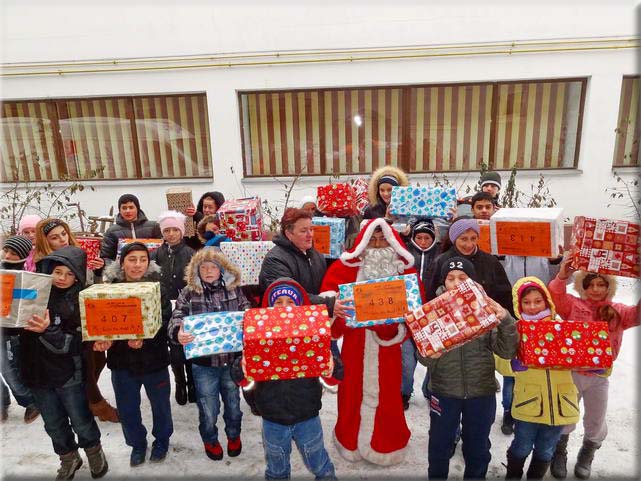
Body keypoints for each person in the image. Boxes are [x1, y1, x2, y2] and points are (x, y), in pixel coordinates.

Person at [320, 217, 420, 465]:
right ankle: (350, 438)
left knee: (388, 394)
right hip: (355, 345)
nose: (376, 245)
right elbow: (327, 309)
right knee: (351, 390)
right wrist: (337, 310)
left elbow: (417, 312)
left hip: (389, 349)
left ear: (392, 241)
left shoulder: (405, 271)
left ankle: (387, 443)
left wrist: (394, 327)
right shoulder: (344, 269)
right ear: (362, 243)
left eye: (382, 239)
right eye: (372, 240)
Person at [417, 256, 518, 479]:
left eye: (462, 277)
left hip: (481, 392)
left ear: (472, 281)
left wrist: (506, 321)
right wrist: (431, 350)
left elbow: (506, 351)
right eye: (450, 278)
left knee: (478, 447)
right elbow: (423, 359)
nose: (456, 282)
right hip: (444, 392)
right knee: (439, 446)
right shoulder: (432, 313)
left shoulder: (484, 309)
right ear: (443, 282)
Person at [231, 278, 340, 480]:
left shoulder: (313, 337)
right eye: (278, 302)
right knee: (277, 470)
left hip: (307, 416)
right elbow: (243, 380)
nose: (284, 308)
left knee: (320, 464)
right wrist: (243, 368)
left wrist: (329, 367)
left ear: (300, 306)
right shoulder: (258, 339)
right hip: (273, 419)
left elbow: (335, 376)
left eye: (290, 302)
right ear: (270, 307)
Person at [20, 246, 108, 480]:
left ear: (78, 275)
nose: (62, 278)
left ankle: (94, 450)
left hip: (69, 373)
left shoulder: (83, 301)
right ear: (48, 270)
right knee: (53, 423)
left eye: (69, 274)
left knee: (80, 418)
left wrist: (47, 331)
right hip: (37, 374)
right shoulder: (32, 294)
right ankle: (68, 457)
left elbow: (74, 342)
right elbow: (13, 325)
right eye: (57, 272)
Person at [547, 260, 640, 480]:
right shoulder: (573, 305)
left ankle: (587, 454)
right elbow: (555, 296)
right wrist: (561, 276)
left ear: (609, 287)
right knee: (566, 416)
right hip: (572, 375)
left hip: (599, 378)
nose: (596, 289)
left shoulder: (618, 311)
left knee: (596, 419)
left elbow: (637, 314)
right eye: (590, 285)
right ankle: (559, 453)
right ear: (582, 287)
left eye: (601, 284)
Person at [95, 242, 173, 466]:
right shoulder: (111, 289)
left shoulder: (157, 287)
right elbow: (103, 322)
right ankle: (137, 444)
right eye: (132, 259)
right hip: (122, 362)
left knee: (160, 405)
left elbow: (165, 320)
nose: (137, 265)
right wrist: (104, 339)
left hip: (154, 360)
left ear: (148, 263)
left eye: (142, 259)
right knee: (128, 408)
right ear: (122, 262)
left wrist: (146, 338)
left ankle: (162, 439)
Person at [34, 218, 118, 423]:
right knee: (85, 363)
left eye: (63, 234)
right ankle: (96, 403)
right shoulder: (45, 263)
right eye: (54, 237)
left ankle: (86, 397)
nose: (62, 239)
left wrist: (98, 271)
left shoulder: (79, 252)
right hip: (65, 323)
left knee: (99, 359)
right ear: (45, 241)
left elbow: (90, 284)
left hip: (86, 312)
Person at [169, 248, 249, 461]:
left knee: (233, 404)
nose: (208, 271)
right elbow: (177, 316)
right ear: (196, 270)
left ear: (223, 269)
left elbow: (247, 312)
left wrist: (247, 321)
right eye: (203, 267)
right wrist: (179, 332)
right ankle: (210, 438)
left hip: (232, 362)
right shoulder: (188, 293)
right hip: (203, 365)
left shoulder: (235, 290)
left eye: (213, 266)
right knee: (208, 407)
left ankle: (234, 434)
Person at [499, 277, 580, 480]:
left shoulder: (561, 327)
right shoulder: (516, 330)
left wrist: (595, 368)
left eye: (538, 301)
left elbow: (587, 352)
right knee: (521, 447)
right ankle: (513, 475)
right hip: (529, 405)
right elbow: (499, 359)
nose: (533, 307)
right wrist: (512, 364)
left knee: (546, 450)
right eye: (526, 302)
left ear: (547, 301)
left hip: (560, 405)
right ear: (518, 304)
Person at [258, 208, 351, 319]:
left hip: (314, 320)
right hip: (283, 322)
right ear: (289, 234)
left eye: (311, 229)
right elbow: (289, 295)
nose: (310, 234)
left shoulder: (317, 255)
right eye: (303, 231)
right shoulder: (275, 260)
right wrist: (328, 304)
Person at [154, 210, 196, 406]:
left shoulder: (190, 253)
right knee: (174, 350)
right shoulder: (156, 253)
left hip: (187, 306)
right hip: (164, 306)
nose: (170, 234)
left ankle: (193, 382)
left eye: (174, 230)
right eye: (167, 230)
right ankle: (180, 381)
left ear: (181, 231)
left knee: (187, 343)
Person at [426, 217, 513, 312]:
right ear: (454, 239)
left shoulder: (491, 262)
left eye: (473, 238)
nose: (469, 244)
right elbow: (430, 296)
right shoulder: (441, 262)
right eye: (464, 239)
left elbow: (505, 297)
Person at [0, 236, 40, 424]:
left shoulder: (27, 277)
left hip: (10, 334)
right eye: (6, 250)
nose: (7, 255)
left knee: (10, 371)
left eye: (13, 253)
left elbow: (31, 304)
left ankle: (30, 401)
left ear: (23, 257)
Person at [400, 220, 441, 407]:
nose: (423, 241)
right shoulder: (405, 254)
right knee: (407, 361)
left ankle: (429, 388)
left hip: (432, 317)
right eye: (419, 237)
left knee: (433, 359)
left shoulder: (440, 255)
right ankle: (404, 392)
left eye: (427, 238)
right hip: (408, 317)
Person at [99, 194, 162, 264]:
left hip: (151, 270)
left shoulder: (154, 227)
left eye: (131, 207)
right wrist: (114, 266)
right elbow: (106, 257)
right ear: (119, 210)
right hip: (123, 272)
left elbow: (163, 250)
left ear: (137, 208)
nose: (128, 211)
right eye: (124, 208)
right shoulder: (112, 231)